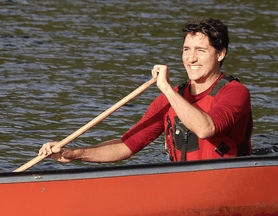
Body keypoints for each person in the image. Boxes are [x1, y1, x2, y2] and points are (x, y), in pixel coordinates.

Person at [39, 18, 253, 163]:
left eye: (200, 50)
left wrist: (168, 90)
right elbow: (126, 146)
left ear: (220, 54)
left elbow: (206, 129)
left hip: (229, 178)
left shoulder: (235, 92)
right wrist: (72, 153)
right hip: (182, 184)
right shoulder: (169, 98)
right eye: (186, 50)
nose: (191, 59)